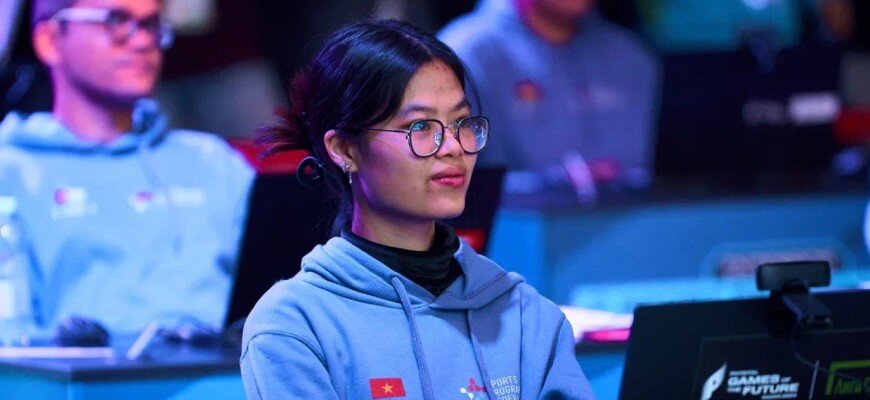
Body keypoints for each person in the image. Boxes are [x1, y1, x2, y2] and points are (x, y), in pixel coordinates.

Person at [240, 19, 594, 400]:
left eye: (461, 122)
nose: (453, 146)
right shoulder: (296, 325)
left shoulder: (524, 315)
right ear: (344, 149)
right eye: (421, 126)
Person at [0, 0, 254, 334]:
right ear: (50, 39)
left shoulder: (215, 164)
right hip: (75, 367)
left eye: (151, 25)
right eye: (115, 21)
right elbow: (12, 341)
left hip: (227, 366)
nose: (142, 40)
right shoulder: (12, 170)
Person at [439, 0, 659, 188]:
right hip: (511, 225)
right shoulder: (464, 56)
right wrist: (558, 185)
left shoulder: (632, 58)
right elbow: (448, 184)